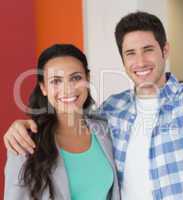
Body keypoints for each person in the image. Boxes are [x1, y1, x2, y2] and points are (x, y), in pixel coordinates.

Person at [4, 12, 183, 200]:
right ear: (123, 60)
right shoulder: (112, 109)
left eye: (148, 50)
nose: (140, 62)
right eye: (130, 53)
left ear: (165, 50)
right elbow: (69, 115)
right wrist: (20, 125)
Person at [4, 44, 120, 200]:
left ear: (88, 79)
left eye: (76, 78)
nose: (68, 89)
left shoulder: (105, 129)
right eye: (56, 81)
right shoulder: (25, 142)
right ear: (43, 88)